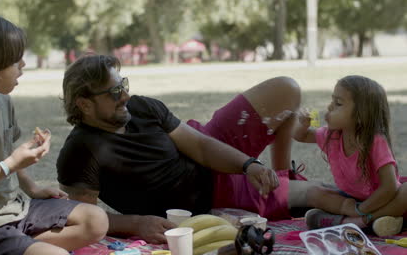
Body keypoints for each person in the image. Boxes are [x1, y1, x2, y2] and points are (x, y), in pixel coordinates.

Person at [57, 54, 307, 244]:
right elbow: (83, 215)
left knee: (286, 88)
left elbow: (200, 145)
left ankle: (283, 173)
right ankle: (284, 189)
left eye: (123, 84)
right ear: (84, 105)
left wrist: (248, 164)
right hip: (213, 194)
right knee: (314, 194)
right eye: (114, 91)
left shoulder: (141, 107)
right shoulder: (79, 152)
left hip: (211, 147)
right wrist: (135, 224)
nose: (124, 95)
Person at [0, 16, 108, 255]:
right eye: (16, 61)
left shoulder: (3, 102)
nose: (23, 65)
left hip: (16, 209)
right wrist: (10, 164)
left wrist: (33, 187)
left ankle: (20, 245)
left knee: (96, 220)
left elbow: (7, 153)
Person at [294, 75, 407, 237]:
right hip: (351, 201)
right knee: (313, 193)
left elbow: (389, 187)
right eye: (332, 101)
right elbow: (301, 136)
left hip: (384, 200)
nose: (330, 107)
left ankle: (359, 222)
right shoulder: (331, 135)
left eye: (338, 103)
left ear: (361, 115)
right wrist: (302, 126)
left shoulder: (375, 142)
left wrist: (363, 211)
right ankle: (370, 223)